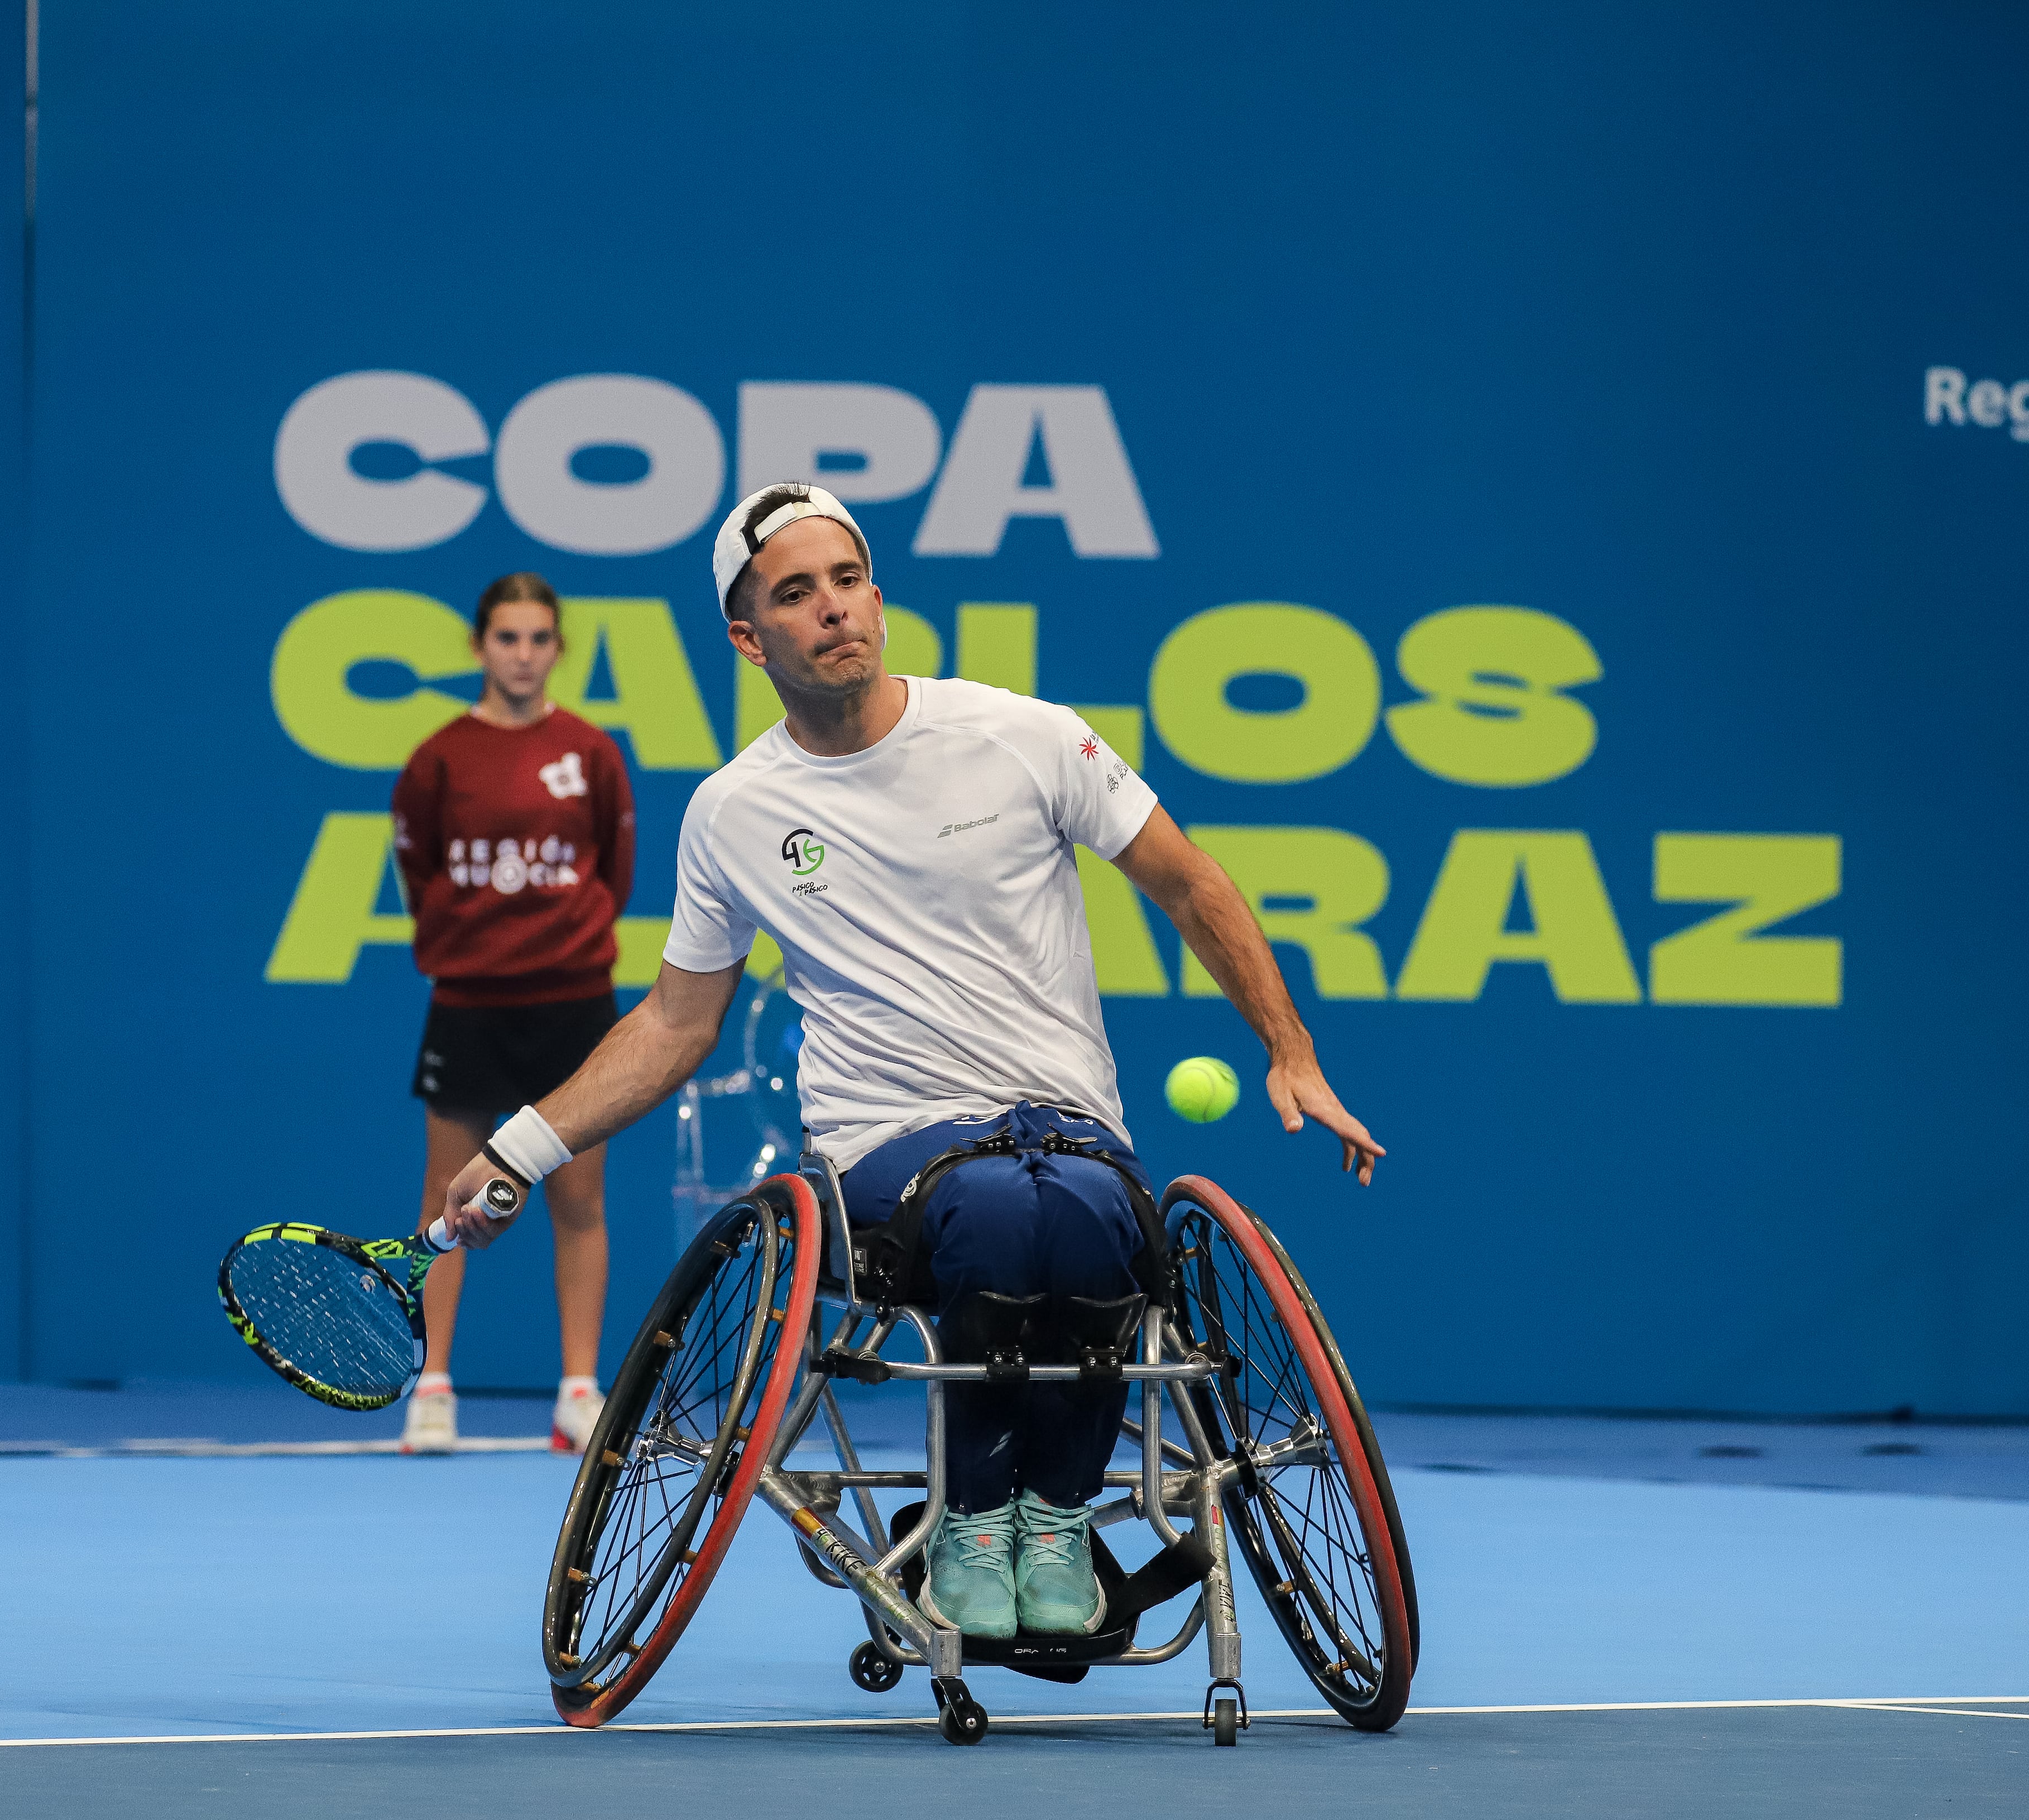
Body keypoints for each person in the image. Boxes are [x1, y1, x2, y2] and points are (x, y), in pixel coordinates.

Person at [436, 486, 1379, 1640]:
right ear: (749, 638)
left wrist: (1292, 1051)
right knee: (991, 1211)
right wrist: (522, 1148)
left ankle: (1056, 1516)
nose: (832, 608)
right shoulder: (735, 811)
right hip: (886, 1155)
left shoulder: (1023, 733)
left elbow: (1189, 880)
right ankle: (977, 1521)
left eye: (846, 579)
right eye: (795, 592)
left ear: (876, 595)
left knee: (1086, 1212)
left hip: (1070, 1127)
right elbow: (675, 1024)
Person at [390, 572, 635, 1454]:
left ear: (557, 648)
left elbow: (615, 868)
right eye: (508, 638)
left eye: (539, 639)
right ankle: (433, 1388)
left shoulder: (592, 753)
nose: (524, 655)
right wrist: (473, 946)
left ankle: (578, 1390)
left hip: (574, 1004)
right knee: (446, 1201)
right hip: (470, 1002)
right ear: (479, 646)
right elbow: (420, 872)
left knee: (578, 1198)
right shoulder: (438, 758)